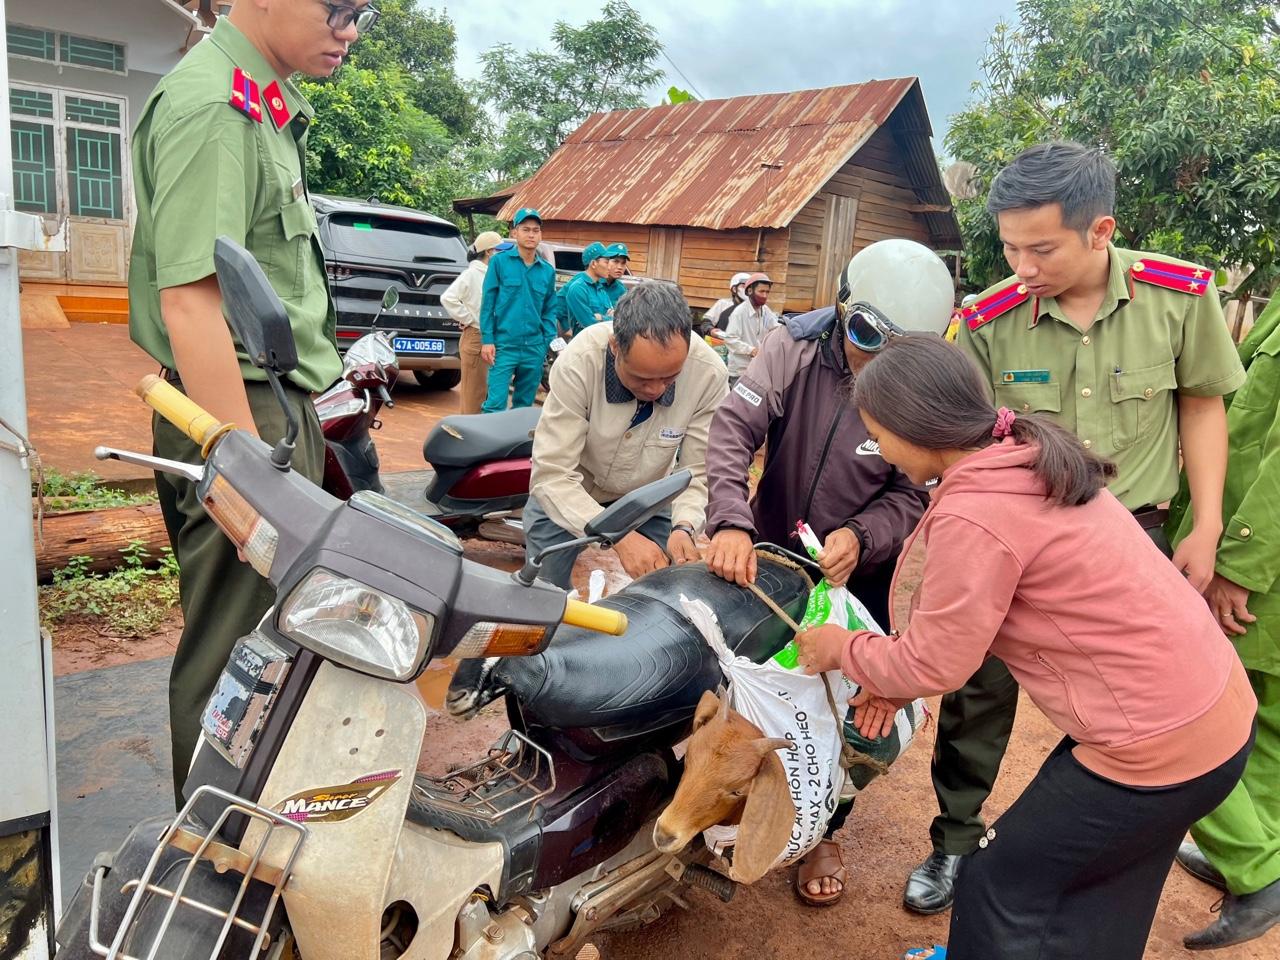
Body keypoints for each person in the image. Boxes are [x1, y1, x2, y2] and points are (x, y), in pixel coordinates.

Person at [796, 336, 1255, 960]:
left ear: (917, 428)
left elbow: (938, 663)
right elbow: (960, 629)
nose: (880, 452)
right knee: (1105, 888)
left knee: (998, 882)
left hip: (1154, 748)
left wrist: (839, 647)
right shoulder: (1023, 455)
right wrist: (892, 672)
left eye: (880, 435)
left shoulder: (976, 513)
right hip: (1212, 717)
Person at [898, 140, 1249, 916]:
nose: (1020, 265)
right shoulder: (987, 319)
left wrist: (1208, 525)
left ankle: (1098, 842)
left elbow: (1201, 403)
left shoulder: (1179, 296)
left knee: (1128, 700)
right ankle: (955, 839)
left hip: (1138, 543)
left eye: (1041, 247)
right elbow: (971, 442)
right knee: (977, 695)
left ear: (1100, 231)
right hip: (1019, 549)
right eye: (1010, 246)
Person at [128, 0, 377, 802]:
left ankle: (255, 825)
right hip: (238, 410)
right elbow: (193, 303)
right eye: (338, 9)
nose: (350, 31)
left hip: (268, 404)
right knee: (235, 650)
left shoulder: (260, 101)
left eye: (363, 13)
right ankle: (209, 852)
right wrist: (242, 467)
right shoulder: (216, 107)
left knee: (274, 636)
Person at [704, 239, 952, 906]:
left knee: (847, 706)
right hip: (766, 557)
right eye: (865, 334)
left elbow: (914, 493)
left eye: (896, 349)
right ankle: (726, 801)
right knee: (744, 681)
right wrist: (731, 519)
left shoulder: (924, 388)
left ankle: (822, 829)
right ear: (843, 306)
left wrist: (861, 535)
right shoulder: (794, 345)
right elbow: (733, 431)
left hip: (859, 576)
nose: (874, 359)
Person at [1168, 295, 1280, 950]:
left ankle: (1259, 872)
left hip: (1257, 567)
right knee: (1265, 723)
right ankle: (1257, 857)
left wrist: (1239, 561)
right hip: (1259, 562)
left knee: (1190, 712)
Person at [525, 282, 727, 589]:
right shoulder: (581, 361)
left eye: (670, 377)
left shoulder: (708, 373)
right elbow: (552, 475)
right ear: (615, 346)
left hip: (650, 498)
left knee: (665, 594)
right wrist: (617, 536)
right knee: (543, 594)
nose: (656, 389)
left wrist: (684, 527)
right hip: (572, 491)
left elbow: (697, 471)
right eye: (642, 378)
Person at [479, 208, 557, 412]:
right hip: (504, 346)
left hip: (534, 348)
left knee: (523, 406)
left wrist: (546, 342)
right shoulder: (499, 262)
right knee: (495, 404)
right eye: (525, 229)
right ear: (515, 233)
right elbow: (488, 304)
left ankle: (516, 444)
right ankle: (490, 444)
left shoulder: (547, 271)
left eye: (536, 230)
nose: (531, 234)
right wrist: (487, 340)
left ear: (540, 234)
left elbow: (549, 309)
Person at [442, 231, 510, 414]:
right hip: (476, 338)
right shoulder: (472, 274)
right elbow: (448, 298)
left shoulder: (494, 274)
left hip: (493, 338)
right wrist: (470, 319)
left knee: (488, 395)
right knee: (474, 397)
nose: (504, 254)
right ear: (489, 252)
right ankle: (467, 440)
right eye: (500, 250)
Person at [721, 273, 779, 384]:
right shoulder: (739, 313)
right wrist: (751, 350)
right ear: (750, 291)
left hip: (757, 369)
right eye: (761, 291)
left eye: (767, 292)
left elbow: (775, 327)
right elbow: (730, 339)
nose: (765, 295)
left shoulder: (765, 310)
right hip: (740, 371)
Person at [555, 241, 614, 337]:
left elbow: (615, 320)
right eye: (606, 262)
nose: (610, 266)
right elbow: (590, 325)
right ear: (594, 263)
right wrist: (566, 327)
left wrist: (601, 317)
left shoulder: (601, 289)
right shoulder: (578, 288)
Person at [601, 243, 630, 308]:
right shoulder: (591, 284)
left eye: (623, 263)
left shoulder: (622, 290)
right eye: (616, 261)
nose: (620, 267)